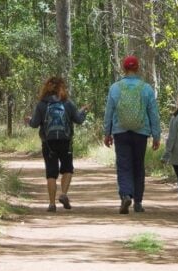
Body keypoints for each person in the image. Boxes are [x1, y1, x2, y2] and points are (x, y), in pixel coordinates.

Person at [103, 55, 162, 214]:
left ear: (124, 68)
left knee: (123, 165)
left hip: (120, 132)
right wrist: (156, 135)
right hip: (140, 133)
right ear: (137, 68)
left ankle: (125, 195)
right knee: (138, 166)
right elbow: (153, 114)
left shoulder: (115, 88)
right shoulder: (146, 88)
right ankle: (138, 202)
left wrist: (107, 133)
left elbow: (109, 112)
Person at [26, 76, 88, 212]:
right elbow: (78, 120)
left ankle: (52, 204)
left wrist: (29, 120)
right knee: (67, 169)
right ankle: (64, 194)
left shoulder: (42, 104)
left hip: (48, 142)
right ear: (62, 88)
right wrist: (83, 112)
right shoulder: (67, 103)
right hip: (65, 141)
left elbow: (35, 124)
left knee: (51, 172)